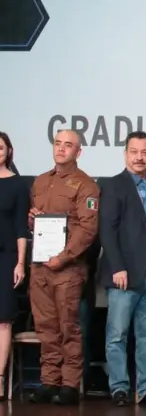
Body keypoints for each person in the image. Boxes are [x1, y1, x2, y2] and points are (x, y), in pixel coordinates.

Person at [28, 129, 99, 405]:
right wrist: (33, 219)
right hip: (40, 267)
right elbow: (37, 222)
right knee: (45, 327)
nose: (61, 149)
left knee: (68, 326)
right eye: (58, 143)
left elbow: (87, 229)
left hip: (67, 268)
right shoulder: (40, 181)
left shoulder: (86, 186)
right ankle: (49, 380)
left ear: (78, 152)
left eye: (68, 145)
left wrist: (64, 256)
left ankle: (69, 383)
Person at [99, 131, 146, 407]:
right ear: (125, 154)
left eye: (144, 152)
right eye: (134, 152)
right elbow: (107, 229)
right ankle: (118, 387)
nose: (139, 157)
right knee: (116, 335)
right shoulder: (114, 186)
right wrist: (117, 266)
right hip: (124, 275)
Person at [0, 133, 27, 399]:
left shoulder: (18, 185)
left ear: (8, 151)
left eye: (0, 147)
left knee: (3, 321)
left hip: (5, 258)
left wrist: (20, 262)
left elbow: (21, 228)